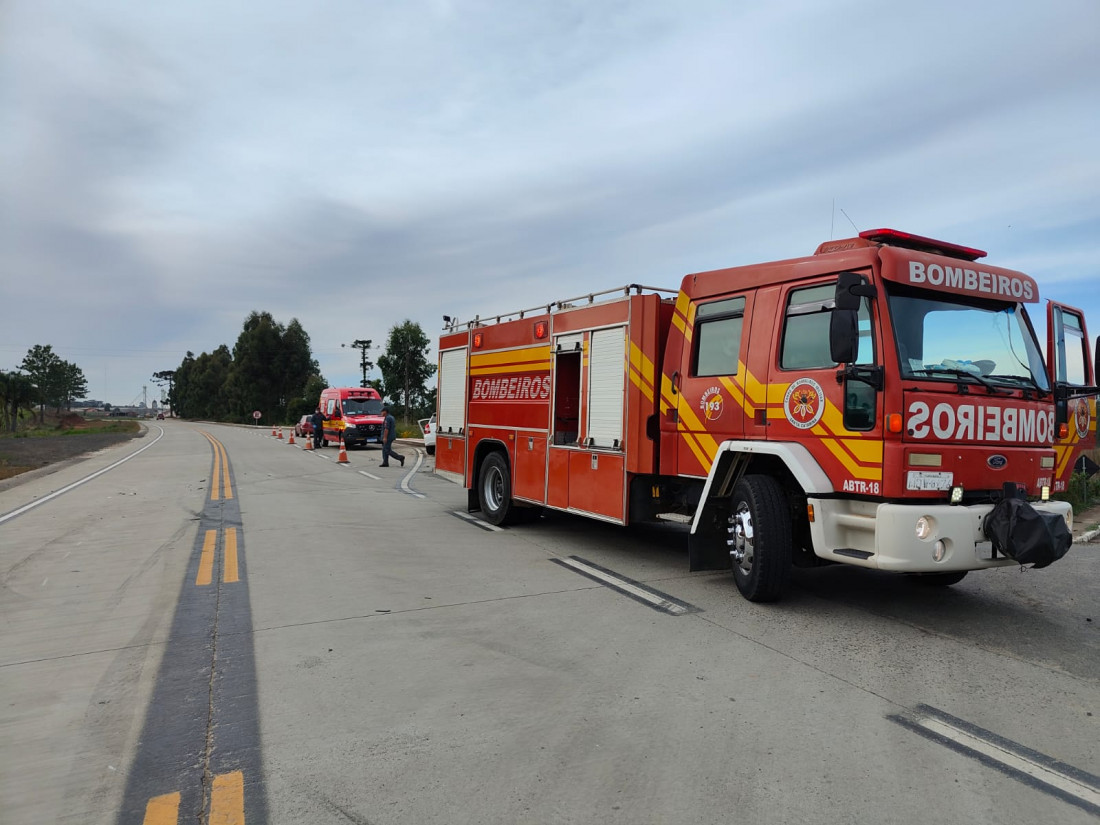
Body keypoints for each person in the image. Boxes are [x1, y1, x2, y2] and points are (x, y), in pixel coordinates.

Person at [380, 403, 405, 467]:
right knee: (385, 449)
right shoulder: (391, 417)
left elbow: (386, 429)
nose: (381, 413)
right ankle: (385, 462)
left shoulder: (387, 418)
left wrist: (385, 437)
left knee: (387, 450)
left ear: (385, 412)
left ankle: (400, 457)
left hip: (388, 436)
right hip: (391, 436)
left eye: (382, 412)